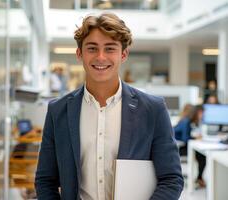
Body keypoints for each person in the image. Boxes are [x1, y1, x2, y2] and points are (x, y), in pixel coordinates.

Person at [35, 13, 183, 200]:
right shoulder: (58, 111)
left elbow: (171, 179)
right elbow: (45, 180)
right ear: (80, 54)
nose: (101, 57)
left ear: (123, 54)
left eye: (110, 48)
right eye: (92, 48)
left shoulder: (153, 110)